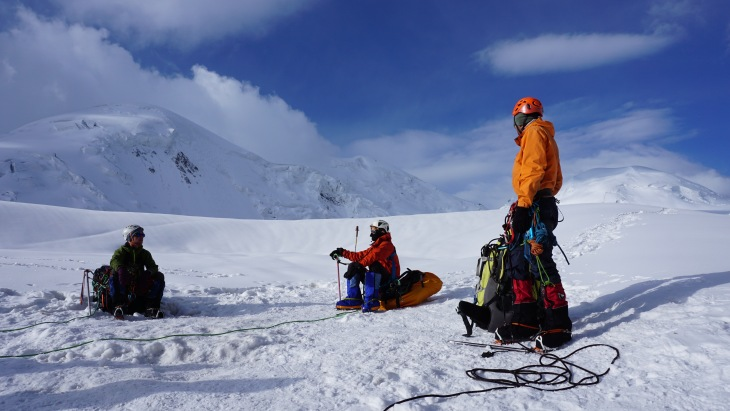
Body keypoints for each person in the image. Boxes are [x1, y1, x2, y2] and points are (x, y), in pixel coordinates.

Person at [495, 96, 572, 350]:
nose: (516, 125)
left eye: (517, 120)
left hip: (534, 205)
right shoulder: (541, 134)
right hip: (537, 202)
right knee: (518, 260)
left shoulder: (535, 132)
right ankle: (524, 319)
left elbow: (534, 168)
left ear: (521, 119)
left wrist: (527, 203)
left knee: (539, 260)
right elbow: (555, 178)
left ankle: (558, 324)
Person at [330, 220, 400, 312]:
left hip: (388, 282)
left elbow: (373, 256)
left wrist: (359, 265)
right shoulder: (376, 246)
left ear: (382, 231)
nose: (372, 233)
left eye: (374, 230)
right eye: (372, 230)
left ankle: (371, 300)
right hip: (379, 279)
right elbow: (359, 256)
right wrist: (342, 252)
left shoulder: (387, 245)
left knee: (374, 265)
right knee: (353, 265)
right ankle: (354, 299)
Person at [109, 225, 165, 319]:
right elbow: (114, 261)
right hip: (124, 284)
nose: (141, 237)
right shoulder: (121, 251)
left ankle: (151, 307)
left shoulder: (144, 253)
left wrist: (148, 273)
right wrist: (120, 269)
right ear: (129, 237)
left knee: (159, 276)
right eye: (138, 234)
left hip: (139, 284)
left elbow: (153, 267)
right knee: (114, 274)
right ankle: (118, 306)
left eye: (142, 235)